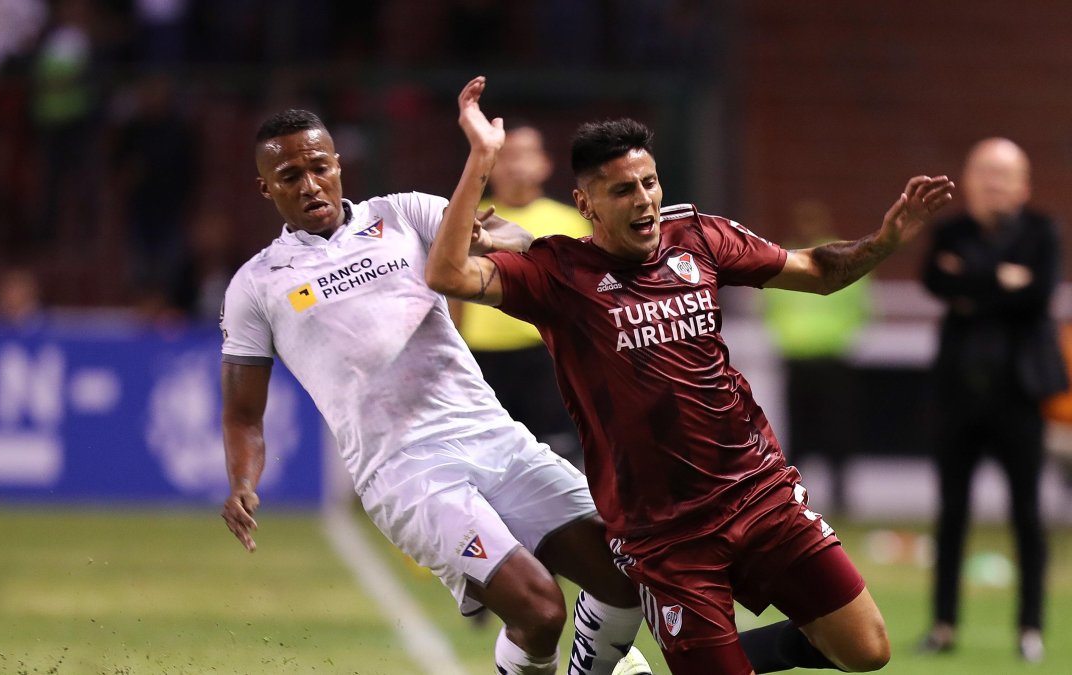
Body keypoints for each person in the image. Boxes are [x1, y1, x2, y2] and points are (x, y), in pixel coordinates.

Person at [427, 76, 955, 674]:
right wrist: (481, 159)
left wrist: (884, 241)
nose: (644, 200)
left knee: (867, 651)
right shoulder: (557, 276)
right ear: (586, 205)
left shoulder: (699, 237)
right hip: (665, 537)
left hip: (759, 494)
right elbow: (447, 276)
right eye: (623, 190)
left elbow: (816, 269)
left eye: (650, 183)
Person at [217, 108, 653, 675]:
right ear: (265, 187)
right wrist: (242, 484)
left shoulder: (404, 213)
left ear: (339, 165)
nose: (310, 185)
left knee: (625, 577)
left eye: (319, 168)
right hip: (406, 472)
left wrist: (499, 241)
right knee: (541, 610)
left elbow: (509, 238)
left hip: (493, 436)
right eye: (290, 177)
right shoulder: (257, 284)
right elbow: (243, 414)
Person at [917, 137, 1066, 663]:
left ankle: (1030, 628)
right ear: (966, 178)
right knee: (951, 512)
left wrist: (971, 282)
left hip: (1019, 396)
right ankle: (942, 625)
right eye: (982, 172)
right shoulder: (949, 230)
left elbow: (1036, 292)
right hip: (957, 394)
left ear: (1022, 186)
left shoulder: (1042, 232)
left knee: (1027, 513)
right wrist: (1000, 278)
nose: (992, 184)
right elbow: (934, 280)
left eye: (1002, 175)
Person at [454, 123, 589, 468]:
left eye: (524, 155)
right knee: (493, 460)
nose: (515, 165)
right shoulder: (469, 220)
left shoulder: (572, 222)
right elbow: (451, 290)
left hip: (547, 355)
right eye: (505, 157)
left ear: (544, 163)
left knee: (557, 455)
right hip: (483, 358)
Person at [762, 200, 871, 515]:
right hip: (798, 357)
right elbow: (772, 308)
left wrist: (835, 335)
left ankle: (840, 497)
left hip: (833, 357)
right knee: (798, 432)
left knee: (837, 430)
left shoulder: (840, 260)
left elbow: (861, 308)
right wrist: (790, 337)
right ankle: (795, 497)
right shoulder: (785, 261)